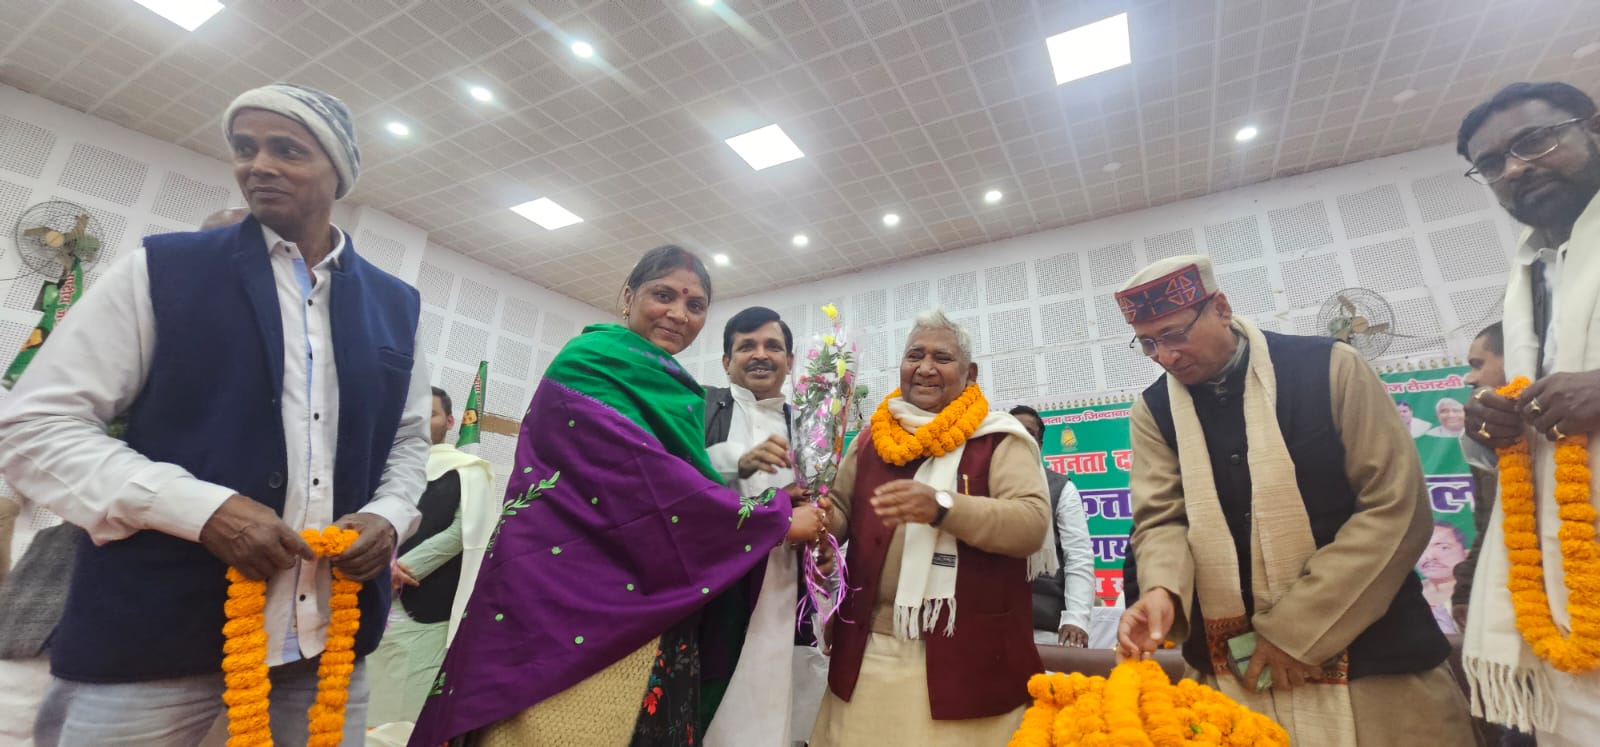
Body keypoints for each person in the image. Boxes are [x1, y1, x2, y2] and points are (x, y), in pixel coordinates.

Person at [0, 83, 432, 746]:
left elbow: (406, 440)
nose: (259, 165)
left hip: (327, 639)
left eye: (287, 149)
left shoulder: (396, 304)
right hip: (158, 631)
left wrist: (391, 515)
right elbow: (37, 426)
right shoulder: (161, 269)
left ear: (341, 170)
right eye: (244, 147)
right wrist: (203, 509)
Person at [409, 245, 825, 747]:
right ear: (627, 297)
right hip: (564, 590)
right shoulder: (590, 364)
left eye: (694, 305)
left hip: (658, 590)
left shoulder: (679, 390)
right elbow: (645, 484)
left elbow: (680, 486)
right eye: (663, 295)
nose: (678, 313)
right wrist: (773, 517)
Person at [1114, 255, 1473, 746]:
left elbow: (1395, 508)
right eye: (1148, 343)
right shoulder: (1154, 410)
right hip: (1230, 682)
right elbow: (1161, 519)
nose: (1165, 356)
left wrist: (1295, 631)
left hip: (1376, 670)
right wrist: (1161, 590)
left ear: (1221, 308)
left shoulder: (1329, 368)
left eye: (1174, 334)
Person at [809, 309, 1052, 746]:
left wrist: (942, 507)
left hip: (970, 662)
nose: (925, 368)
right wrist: (821, 520)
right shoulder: (871, 439)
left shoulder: (999, 438)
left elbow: (1030, 524)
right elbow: (841, 511)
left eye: (942, 358)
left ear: (970, 373)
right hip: (867, 653)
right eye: (914, 355)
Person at [1458, 80, 1600, 746]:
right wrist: (1498, 428)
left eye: (1534, 142)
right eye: (1492, 164)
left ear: (1592, 129)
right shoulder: (1531, 276)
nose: (1514, 169)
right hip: (1569, 582)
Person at [698, 306, 830, 747]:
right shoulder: (700, 407)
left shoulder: (810, 427)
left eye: (773, 346)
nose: (760, 355)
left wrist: (824, 541)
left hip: (785, 587)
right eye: (746, 346)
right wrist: (736, 462)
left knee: (777, 706)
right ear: (726, 360)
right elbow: (677, 483)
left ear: (790, 361)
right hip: (716, 589)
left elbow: (820, 504)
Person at [366, 387, 493, 726]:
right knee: (363, 704)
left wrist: (400, 569)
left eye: (432, 414)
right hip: (375, 598)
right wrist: (381, 569)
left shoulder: (467, 470)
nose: (423, 420)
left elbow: (462, 532)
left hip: (424, 607)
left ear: (450, 421)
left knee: (404, 715)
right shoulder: (390, 467)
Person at [1009, 404, 1095, 648]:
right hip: (990, 621)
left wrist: (1076, 619)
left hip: (1045, 625)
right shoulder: (981, 485)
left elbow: (1078, 556)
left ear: (1040, 444)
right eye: (1011, 433)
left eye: (1028, 433)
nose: (1020, 439)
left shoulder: (1061, 488)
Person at [1453, 322, 1506, 630]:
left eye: (1478, 364)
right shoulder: (1484, 444)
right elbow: (1488, 527)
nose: (1470, 378)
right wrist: (1466, 589)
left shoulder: (1573, 432)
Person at [1419, 521, 1469, 634]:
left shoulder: (1478, 594)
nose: (1429, 557)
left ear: (1466, 553)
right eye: (1422, 548)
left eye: (1443, 548)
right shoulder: (1404, 594)